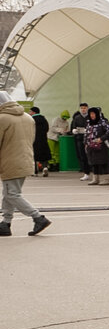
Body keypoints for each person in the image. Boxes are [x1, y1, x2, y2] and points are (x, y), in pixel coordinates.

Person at [0, 91, 52, 237]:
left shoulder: (2, 118)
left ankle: (38, 218)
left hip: (9, 161)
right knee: (9, 193)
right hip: (26, 159)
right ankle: (5, 223)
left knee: (12, 194)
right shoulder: (28, 118)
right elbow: (32, 139)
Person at [84, 106, 109, 186]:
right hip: (91, 145)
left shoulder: (103, 122)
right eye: (90, 114)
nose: (92, 115)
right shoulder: (88, 122)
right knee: (93, 162)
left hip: (101, 146)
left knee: (103, 162)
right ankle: (95, 179)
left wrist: (102, 138)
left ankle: (106, 179)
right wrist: (86, 143)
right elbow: (86, 133)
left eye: (93, 113)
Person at [70, 102, 90, 181]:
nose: (83, 109)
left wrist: (87, 131)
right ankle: (86, 173)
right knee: (82, 156)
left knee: (90, 156)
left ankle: (94, 171)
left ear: (87, 108)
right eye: (82, 108)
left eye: (84, 108)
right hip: (80, 139)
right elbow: (73, 127)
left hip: (89, 139)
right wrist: (74, 130)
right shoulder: (77, 118)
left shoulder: (90, 117)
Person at [30, 107, 51, 177]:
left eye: (31, 111)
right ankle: (45, 167)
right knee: (44, 155)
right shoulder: (43, 119)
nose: (30, 113)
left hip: (34, 140)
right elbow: (47, 128)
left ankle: (35, 171)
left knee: (34, 155)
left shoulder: (31, 119)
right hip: (43, 140)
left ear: (34, 112)